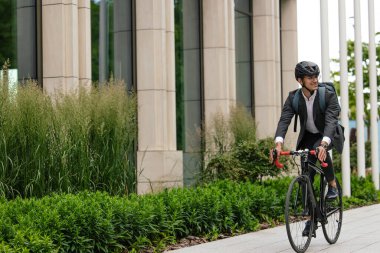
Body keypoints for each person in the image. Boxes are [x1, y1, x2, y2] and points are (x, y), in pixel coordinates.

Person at [270, 61, 342, 236]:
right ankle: (311, 220)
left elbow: (331, 121)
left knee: (320, 149)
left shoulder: (328, 95)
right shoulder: (293, 97)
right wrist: (278, 144)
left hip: (327, 134)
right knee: (305, 177)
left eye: (316, 76)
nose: (315, 80)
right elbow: (284, 120)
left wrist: (324, 143)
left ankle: (332, 185)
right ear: (299, 80)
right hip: (308, 137)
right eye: (310, 77)